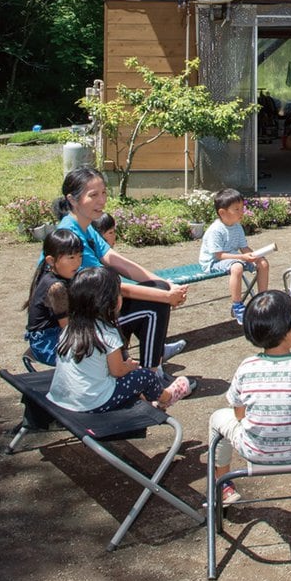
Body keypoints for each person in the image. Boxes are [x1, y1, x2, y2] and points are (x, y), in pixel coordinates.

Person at [52, 167, 188, 380]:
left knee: (158, 290)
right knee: (155, 305)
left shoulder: (85, 227)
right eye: (93, 195)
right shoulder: (71, 236)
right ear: (72, 199)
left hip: (95, 309)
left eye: (104, 193)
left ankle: (153, 365)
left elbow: (120, 263)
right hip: (80, 322)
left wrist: (165, 284)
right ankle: (152, 376)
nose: (102, 200)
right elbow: (107, 287)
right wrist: (166, 296)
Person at [208, 289, 291, 505]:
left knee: (217, 419)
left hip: (254, 450)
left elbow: (239, 414)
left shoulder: (246, 367)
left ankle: (223, 483)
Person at [47, 268, 191, 413]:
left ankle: (147, 399)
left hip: (62, 399)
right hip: (94, 403)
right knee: (145, 376)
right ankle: (167, 397)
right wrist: (129, 366)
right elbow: (117, 371)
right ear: (110, 302)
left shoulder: (70, 327)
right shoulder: (107, 333)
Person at [198, 188, 271, 325]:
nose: (241, 212)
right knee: (237, 267)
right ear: (222, 212)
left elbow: (244, 248)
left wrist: (255, 255)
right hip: (213, 262)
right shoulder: (216, 230)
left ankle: (262, 300)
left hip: (233, 258)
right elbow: (219, 255)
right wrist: (243, 258)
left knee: (263, 263)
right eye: (236, 209)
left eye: (242, 208)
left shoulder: (237, 227)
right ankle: (237, 306)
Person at [24, 227, 83, 365]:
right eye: (71, 257)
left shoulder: (56, 273)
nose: (78, 262)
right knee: (96, 356)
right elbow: (67, 328)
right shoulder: (56, 288)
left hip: (54, 334)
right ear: (51, 260)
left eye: (80, 256)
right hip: (46, 342)